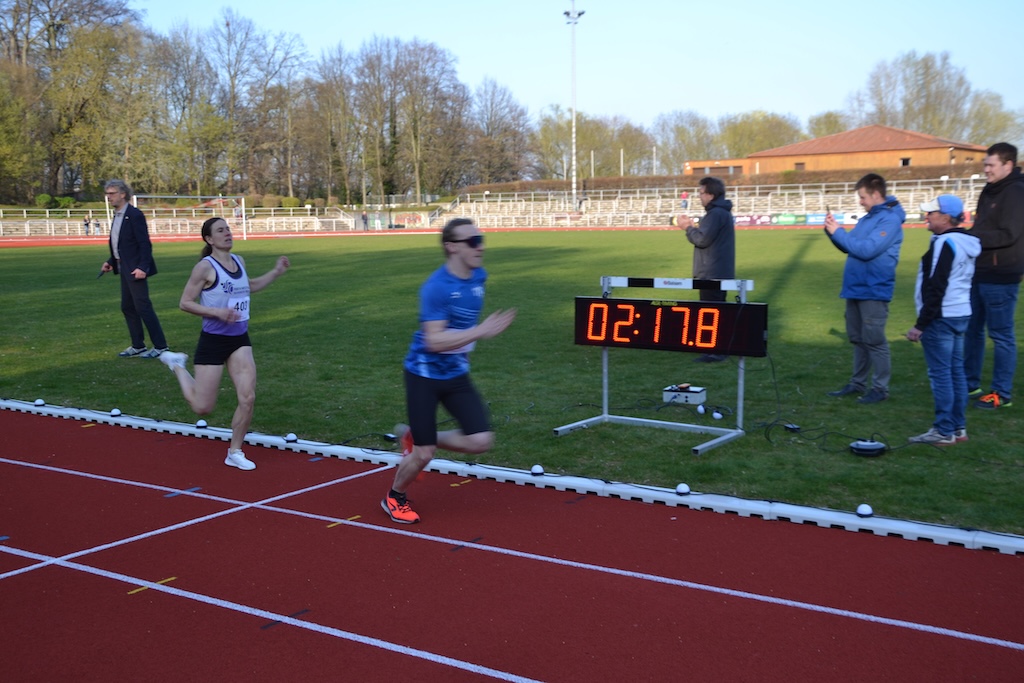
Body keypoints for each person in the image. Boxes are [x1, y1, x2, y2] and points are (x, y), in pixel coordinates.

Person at [383, 217, 516, 524]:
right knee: (424, 454)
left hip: (456, 374)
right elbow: (433, 341)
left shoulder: (479, 276)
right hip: (423, 375)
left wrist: (470, 340)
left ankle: (416, 436)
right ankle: (394, 497)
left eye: (481, 239)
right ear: (451, 247)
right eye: (473, 241)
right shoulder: (436, 287)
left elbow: (460, 326)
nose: (480, 247)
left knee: (481, 440)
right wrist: (480, 331)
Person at [158, 217, 290, 471]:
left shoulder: (239, 261)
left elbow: (249, 286)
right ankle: (177, 365)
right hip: (213, 341)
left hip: (239, 340)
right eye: (220, 230)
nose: (227, 233)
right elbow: (185, 302)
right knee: (202, 407)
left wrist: (276, 272)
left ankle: (235, 451)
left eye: (228, 228)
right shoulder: (205, 268)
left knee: (248, 397)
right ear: (209, 239)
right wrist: (216, 312)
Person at [824, 173, 905, 404]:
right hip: (856, 287)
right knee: (858, 340)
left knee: (875, 341)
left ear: (876, 194)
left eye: (862, 197)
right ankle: (857, 383)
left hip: (873, 289)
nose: (860, 202)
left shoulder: (889, 221)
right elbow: (849, 246)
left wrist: (839, 233)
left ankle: (880, 389)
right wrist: (832, 231)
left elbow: (867, 250)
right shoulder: (868, 219)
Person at [905, 195, 980, 445]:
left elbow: (936, 286)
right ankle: (958, 428)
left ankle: (944, 430)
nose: (927, 216)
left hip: (942, 316)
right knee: (956, 372)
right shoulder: (966, 241)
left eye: (932, 213)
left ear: (946, 218)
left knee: (941, 375)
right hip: (960, 313)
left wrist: (921, 324)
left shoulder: (945, 242)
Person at [964, 142, 1024, 410]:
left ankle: (1001, 393)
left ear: (1008, 165)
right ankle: (970, 383)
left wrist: (972, 237)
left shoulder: (1016, 192)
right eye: (985, 164)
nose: (986, 169)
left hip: (1001, 274)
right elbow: (982, 226)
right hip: (979, 270)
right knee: (972, 330)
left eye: (991, 165)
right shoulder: (989, 190)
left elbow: (1009, 234)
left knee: (1001, 335)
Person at [99, 179, 171, 359]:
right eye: (107, 194)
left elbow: (144, 244)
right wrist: (111, 261)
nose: (108, 197)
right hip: (124, 267)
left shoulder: (134, 215)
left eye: (112, 193)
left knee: (143, 307)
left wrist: (142, 267)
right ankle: (138, 345)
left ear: (123, 194)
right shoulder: (118, 215)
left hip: (135, 269)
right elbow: (122, 244)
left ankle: (161, 346)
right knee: (128, 307)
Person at [676, 176, 735, 363]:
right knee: (716, 311)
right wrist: (694, 228)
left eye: (701, 193)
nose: (699, 196)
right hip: (718, 270)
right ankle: (718, 349)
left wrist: (687, 228)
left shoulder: (715, 214)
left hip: (712, 271)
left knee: (711, 312)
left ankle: (715, 351)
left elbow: (701, 239)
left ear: (711, 194)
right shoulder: (721, 213)